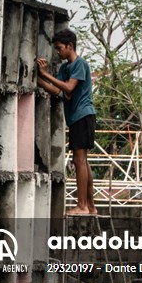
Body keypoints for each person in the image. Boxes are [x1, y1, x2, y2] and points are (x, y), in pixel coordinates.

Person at [36, 29, 96, 215]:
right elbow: (58, 91)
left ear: (70, 46)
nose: (58, 52)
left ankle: (82, 206)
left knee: (79, 160)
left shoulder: (80, 64)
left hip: (83, 115)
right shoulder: (64, 69)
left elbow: (69, 87)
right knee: (82, 161)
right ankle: (91, 206)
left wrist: (45, 74)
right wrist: (39, 79)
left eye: (59, 48)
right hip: (76, 118)